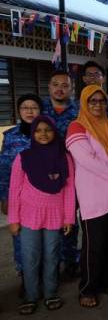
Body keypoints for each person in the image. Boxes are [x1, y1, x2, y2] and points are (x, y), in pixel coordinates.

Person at [66, 85, 108, 308]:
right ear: (84, 102)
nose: (97, 105)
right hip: (94, 196)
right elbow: (87, 160)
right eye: (92, 101)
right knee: (94, 245)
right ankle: (88, 288)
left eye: (101, 101)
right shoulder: (77, 127)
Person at [8, 116, 75, 315]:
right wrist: (13, 219)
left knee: (52, 255)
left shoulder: (65, 157)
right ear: (32, 133)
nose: (43, 134)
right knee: (30, 256)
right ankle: (30, 295)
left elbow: (70, 189)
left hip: (56, 215)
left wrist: (69, 217)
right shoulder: (23, 157)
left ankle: (51, 293)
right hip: (28, 216)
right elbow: (14, 190)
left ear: (54, 132)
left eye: (48, 130)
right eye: (38, 130)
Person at [0, 94, 42, 286]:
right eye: (25, 107)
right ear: (19, 111)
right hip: (19, 199)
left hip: (45, 198)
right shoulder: (11, 136)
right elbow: (4, 169)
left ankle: (46, 276)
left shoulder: (47, 133)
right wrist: (4, 197)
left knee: (47, 238)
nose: (30, 111)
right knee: (21, 239)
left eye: (34, 107)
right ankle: (26, 278)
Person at [42, 70, 80, 277]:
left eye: (65, 85)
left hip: (74, 175)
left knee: (70, 219)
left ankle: (70, 260)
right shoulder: (39, 109)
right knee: (46, 221)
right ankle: (47, 267)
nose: (59, 88)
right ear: (49, 87)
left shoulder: (80, 111)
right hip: (43, 177)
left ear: (71, 89)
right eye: (55, 84)